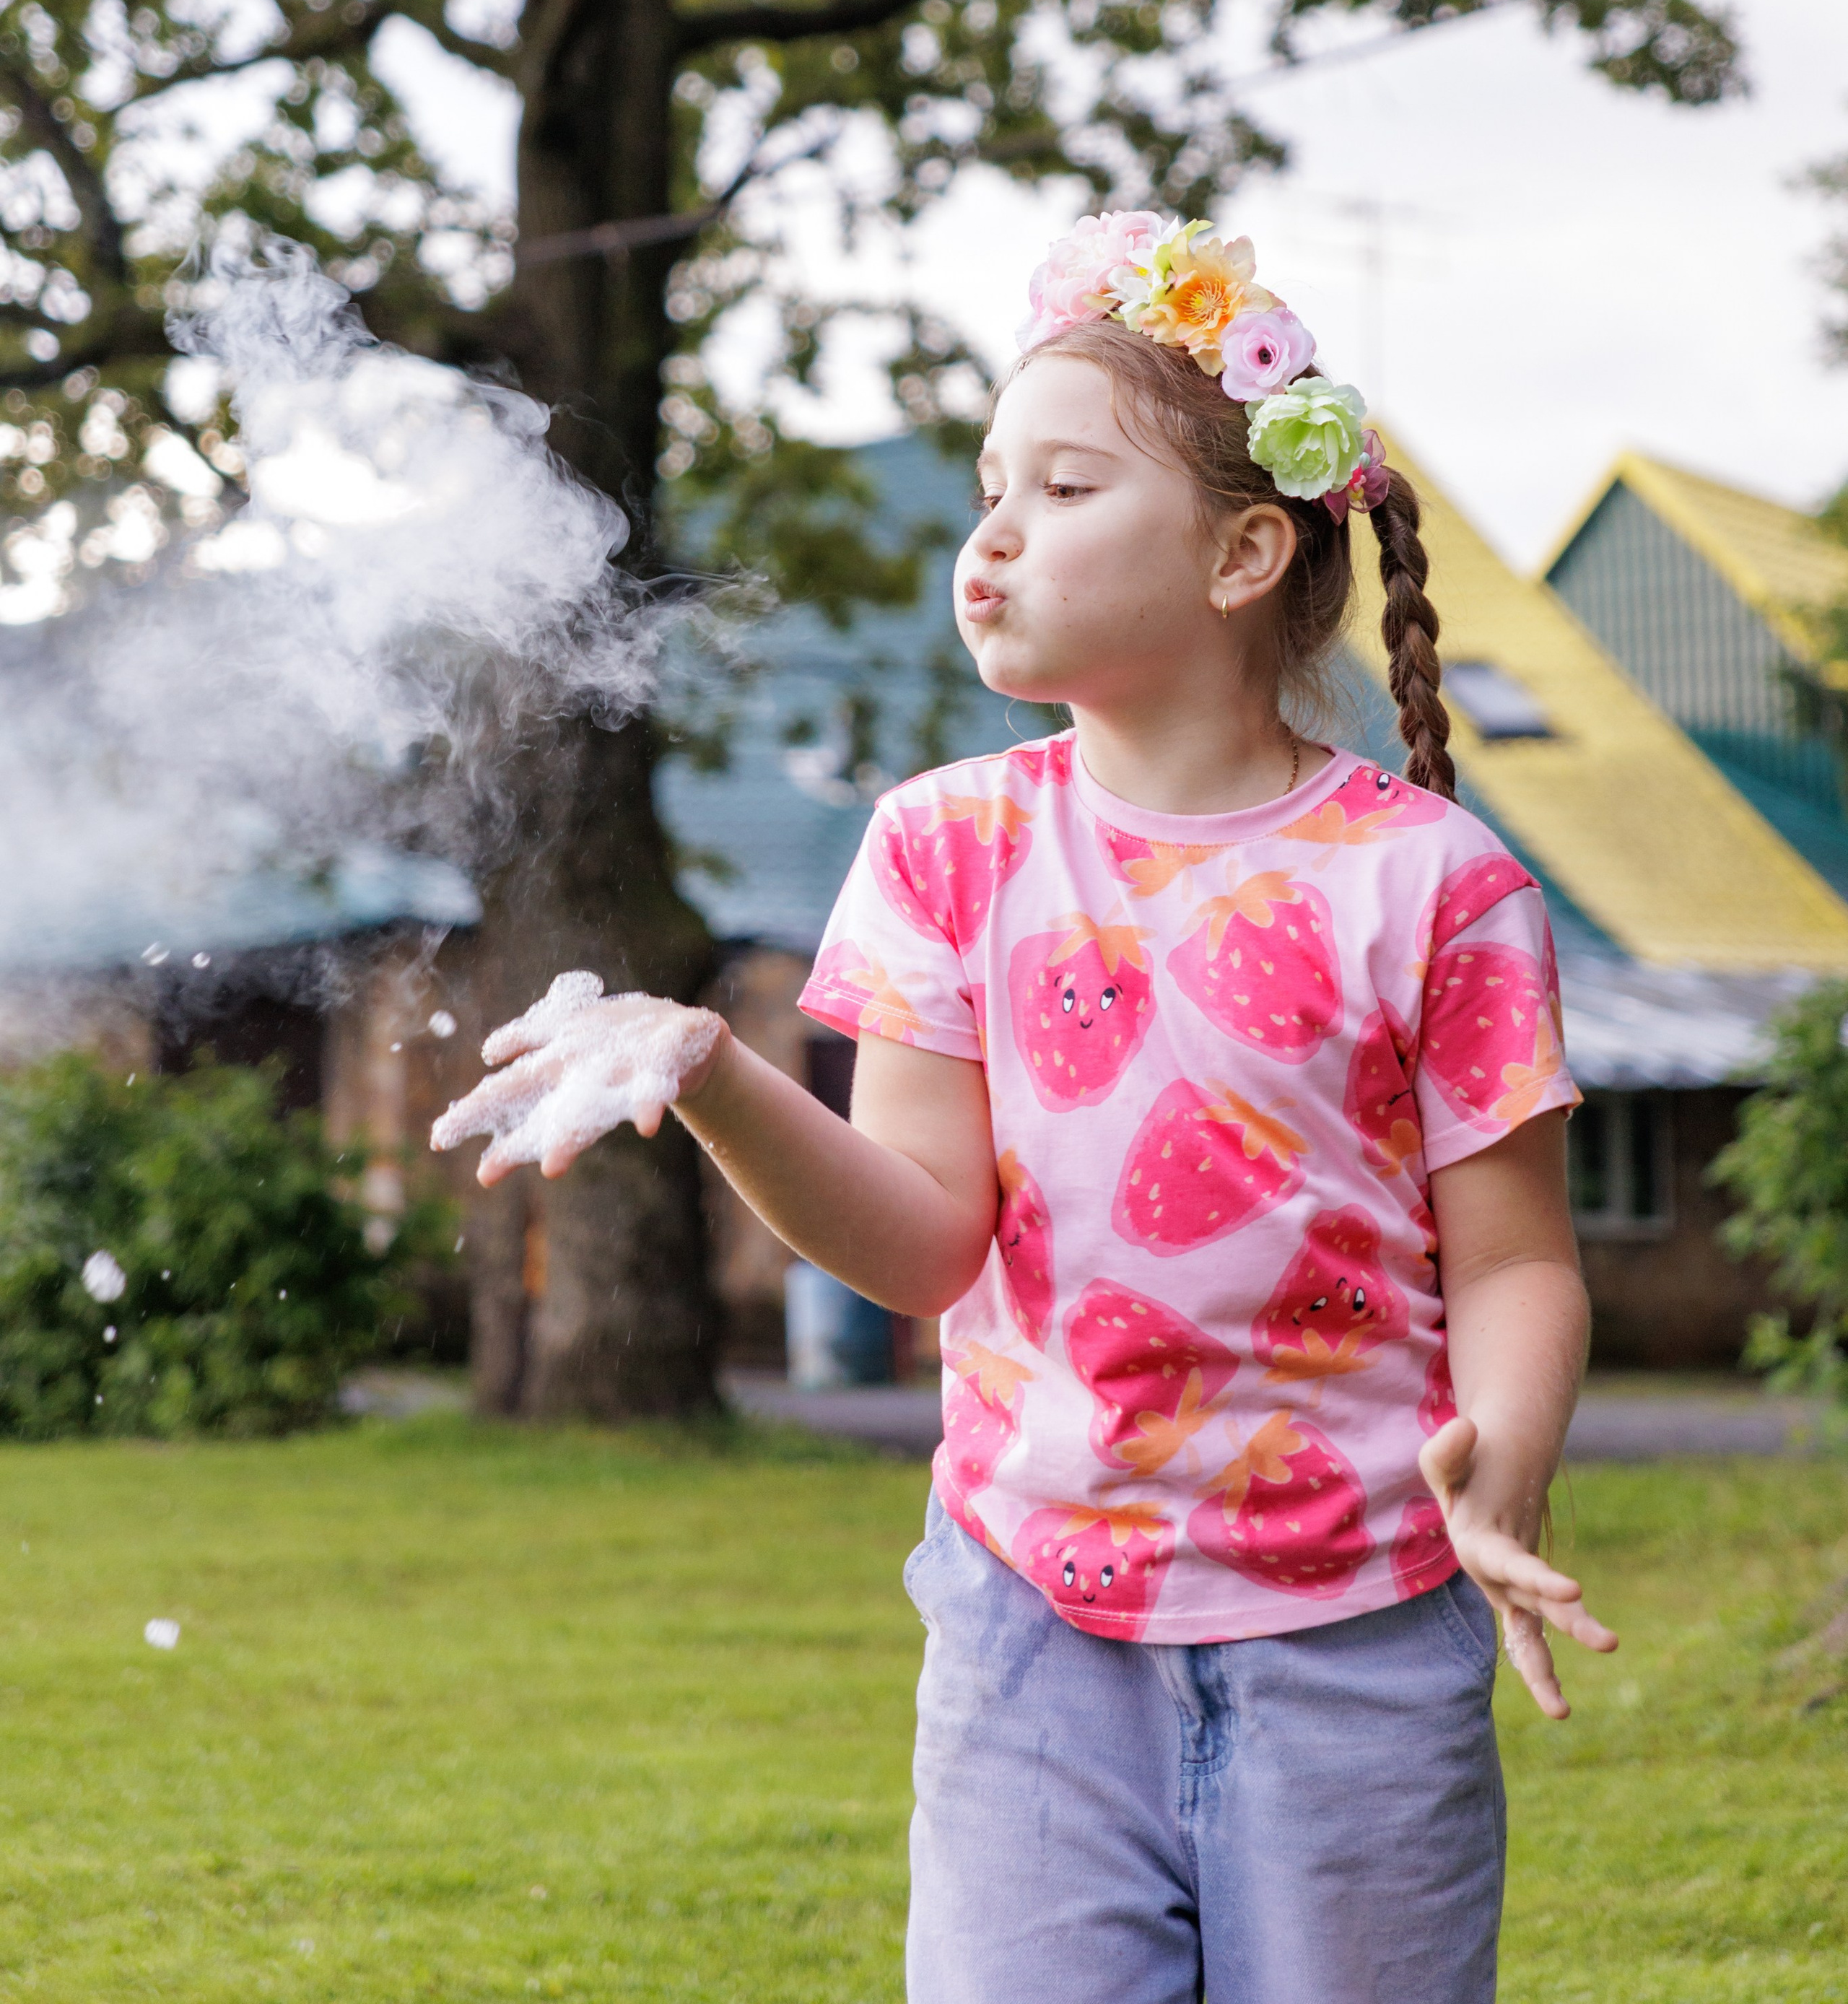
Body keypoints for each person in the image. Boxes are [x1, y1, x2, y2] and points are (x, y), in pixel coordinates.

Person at [433, 211, 1616, 2004]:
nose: (988, 532)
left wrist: (1507, 1457)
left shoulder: (1437, 886)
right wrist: (718, 1076)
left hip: (1359, 1641)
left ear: (1240, 551)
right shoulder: (941, 846)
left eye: (1060, 489)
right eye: (992, 483)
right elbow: (920, 1240)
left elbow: (1519, 1264)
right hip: (1025, 1631)